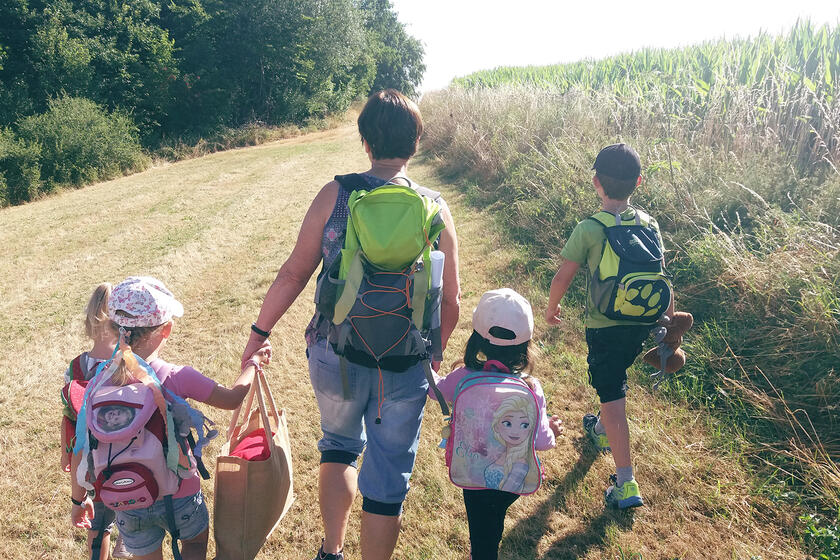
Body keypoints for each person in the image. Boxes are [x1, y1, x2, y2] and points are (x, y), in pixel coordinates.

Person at [241, 89, 461, 560]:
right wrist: (434, 353)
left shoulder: (336, 194)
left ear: (365, 141)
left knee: (338, 446)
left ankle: (332, 550)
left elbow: (294, 273)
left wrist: (259, 333)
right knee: (390, 467)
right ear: (416, 143)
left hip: (335, 349)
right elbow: (452, 301)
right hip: (405, 361)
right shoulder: (434, 208)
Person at [70, 276, 272, 559]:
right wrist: (253, 364)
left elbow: (80, 449)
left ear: (114, 328)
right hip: (180, 494)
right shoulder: (177, 377)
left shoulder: (95, 384)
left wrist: (78, 500)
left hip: (127, 500)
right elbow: (232, 398)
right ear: (167, 329)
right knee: (193, 545)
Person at [544, 143, 674, 509]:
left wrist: (552, 309)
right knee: (613, 378)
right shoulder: (651, 224)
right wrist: (665, 321)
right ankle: (599, 429)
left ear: (595, 182)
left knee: (613, 396)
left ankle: (626, 482)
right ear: (639, 182)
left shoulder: (589, 229)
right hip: (642, 324)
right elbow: (662, 275)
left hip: (604, 325)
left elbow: (562, 277)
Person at [432, 288, 562, 560]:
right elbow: (541, 441)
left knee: (483, 536)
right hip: (512, 477)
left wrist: (427, 364)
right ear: (526, 344)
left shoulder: (464, 376)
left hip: (472, 474)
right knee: (492, 528)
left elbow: (434, 390)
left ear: (477, 338)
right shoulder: (530, 386)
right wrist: (550, 428)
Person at [62, 283, 137, 559]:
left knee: (97, 526)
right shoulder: (130, 362)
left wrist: (66, 455)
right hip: (132, 459)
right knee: (135, 515)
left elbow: (69, 419)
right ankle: (127, 540)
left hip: (92, 464)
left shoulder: (77, 366)